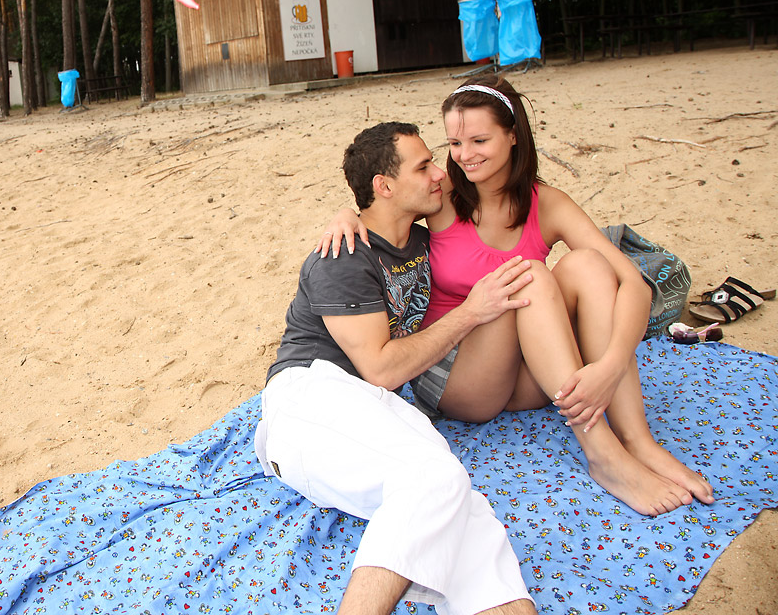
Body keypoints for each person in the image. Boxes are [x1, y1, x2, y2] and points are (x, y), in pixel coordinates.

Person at [320, 79, 714, 517]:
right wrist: (346, 215)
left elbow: (634, 285)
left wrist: (610, 365)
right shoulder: (444, 194)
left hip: (534, 373)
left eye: (479, 140)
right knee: (530, 277)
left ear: (512, 135)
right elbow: (384, 202)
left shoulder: (548, 204)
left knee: (589, 265)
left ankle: (637, 440)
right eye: (454, 143)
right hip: (457, 375)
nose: (463, 155)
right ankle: (603, 454)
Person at [257, 121, 538, 615]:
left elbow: (484, 194)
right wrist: (472, 312)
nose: (438, 174)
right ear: (384, 187)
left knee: (455, 499)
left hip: (377, 407)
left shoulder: (424, 243)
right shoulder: (341, 257)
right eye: (423, 166)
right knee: (434, 477)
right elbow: (382, 369)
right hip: (309, 396)